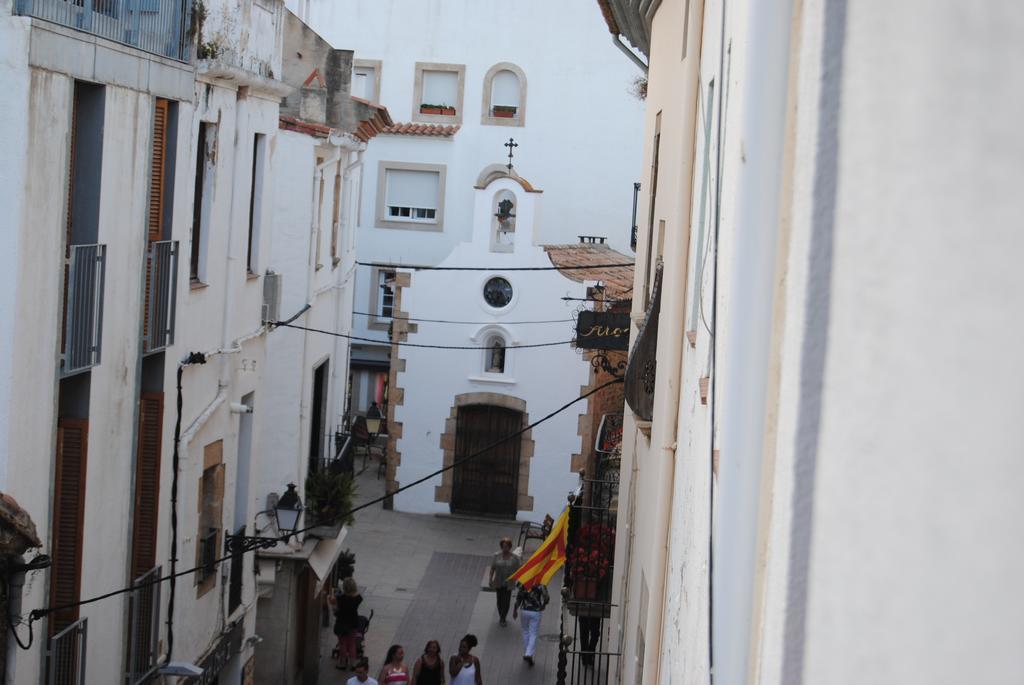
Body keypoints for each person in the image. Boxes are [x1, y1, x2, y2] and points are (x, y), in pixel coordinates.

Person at [513, 582, 549, 667]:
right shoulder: (541, 584)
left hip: (524, 611)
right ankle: (529, 653)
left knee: (525, 631)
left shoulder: (523, 583)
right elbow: (546, 598)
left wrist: (515, 610)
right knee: (533, 633)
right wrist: (543, 605)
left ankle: (527, 652)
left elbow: (518, 599)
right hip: (536, 611)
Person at [332, 577, 363, 670]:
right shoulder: (358, 598)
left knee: (343, 644)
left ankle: (342, 663)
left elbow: (336, 608)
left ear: (344, 587)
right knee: (352, 643)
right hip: (353, 622)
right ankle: (353, 664)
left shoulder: (340, 598)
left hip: (342, 623)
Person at [489, 537, 521, 627]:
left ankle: (503, 618)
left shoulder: (514, 558)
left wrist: (520, 580)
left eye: (506, 547)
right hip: (498, 581)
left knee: (506, 601)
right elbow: (492, 568)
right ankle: (501, 615)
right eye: (503, 546)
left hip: (509, 583)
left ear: (510, 547)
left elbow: (519, 569)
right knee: (499, 600)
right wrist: (490, 579)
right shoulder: (496, 555)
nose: (504, 549)